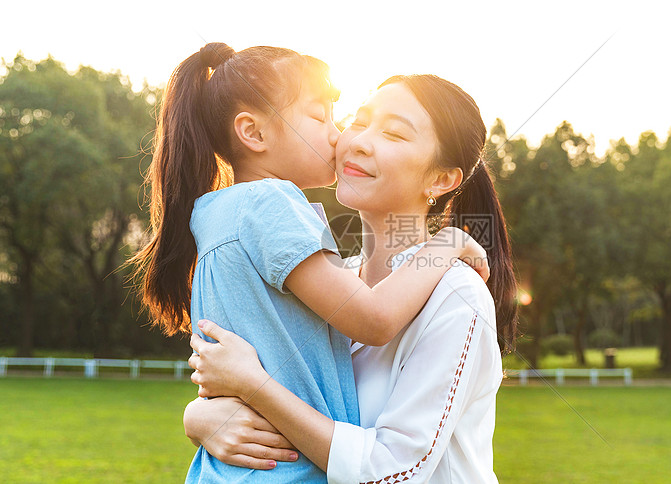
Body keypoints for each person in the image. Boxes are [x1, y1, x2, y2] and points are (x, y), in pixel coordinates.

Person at [128, 43, 488, 484]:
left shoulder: (455, 294)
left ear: (442, 179)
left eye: (393, 134)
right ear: (254, 134)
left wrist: (250, 387)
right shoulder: (321, 271)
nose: (348, 138)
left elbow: (394, 469)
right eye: (353, 120)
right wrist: (201, 416)